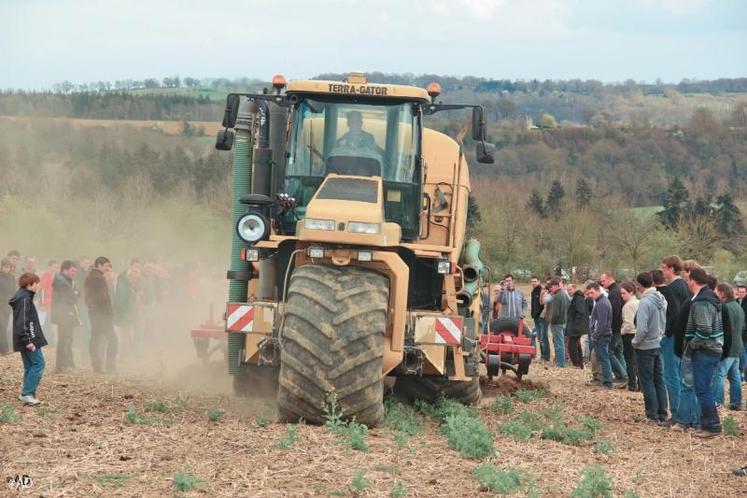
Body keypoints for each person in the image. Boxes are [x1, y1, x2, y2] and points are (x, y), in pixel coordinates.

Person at [684, 268, 724, 437]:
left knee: (702, 389)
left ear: (693, 280)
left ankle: (712, 426)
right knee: (704, 388)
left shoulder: (702, 301)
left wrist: (692, 345)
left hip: (705, 351)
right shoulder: (710, 298)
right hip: (711, 350)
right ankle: (707, 423)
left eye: (687, 279)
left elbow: (704, 330)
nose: (686, 283)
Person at [632, 272, 668, 424]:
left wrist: (635, 342)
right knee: (659, 380)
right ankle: (662, 413)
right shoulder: (662, 298)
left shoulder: (645, 302)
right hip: (659, 343)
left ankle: (651, 415)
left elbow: (642, 329)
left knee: (647, 381)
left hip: (646, 346)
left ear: (639, 285)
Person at [9, 273, 48, 405]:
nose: (38, 286)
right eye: (37, 283)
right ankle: (27, 393)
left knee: (30, 365)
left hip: (25, 338)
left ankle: (27, 393)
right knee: (39, 363)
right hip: (28, 338)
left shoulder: (23, 296)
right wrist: (28, 341)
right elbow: (23, 322)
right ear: (29, 284)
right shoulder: (24, 298)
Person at [713, 283, 743, 410]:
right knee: (734, 375)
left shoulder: (727, 308)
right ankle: (736, 403)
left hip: (729, 347)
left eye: (716, 292)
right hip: (737, 346)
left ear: (722, 294)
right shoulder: (737, 306)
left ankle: (718, 402)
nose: (715, 294)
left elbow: (727, 329)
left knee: (719, 374)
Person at [85, 257, 117, 374]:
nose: (108, 268)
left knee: (96, 338)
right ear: (99, 265)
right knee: (112, 340)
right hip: (101, 314)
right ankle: (109, 366)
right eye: (106, 266)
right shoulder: (98, 278)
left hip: (96, 313)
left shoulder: (92, 277)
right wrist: (108, 313)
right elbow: (101, 298)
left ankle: (97, 365)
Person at [600, 272, 628, 386]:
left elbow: (614, 311)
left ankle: (621, 375)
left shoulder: (614, 292)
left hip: (614, 327)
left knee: (609, 352)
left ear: (610, 279)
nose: (602, 283)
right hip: (618, 327)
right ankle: (625, 375)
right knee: (618, 352)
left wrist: (609, 327)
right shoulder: (615, 290)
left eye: (603, 281)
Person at [51, 260, 80, 371]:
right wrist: (75, 294)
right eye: (72, 271)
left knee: (68, 338)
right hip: (63, 314)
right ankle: (61, 364)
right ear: (65, 270)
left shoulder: (67, 281)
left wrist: (75, 294)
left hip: (67, 313)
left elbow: (78, 293)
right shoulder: (61, 282)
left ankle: (68, 363)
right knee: (64, 339)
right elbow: (71, 297)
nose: (74, 273)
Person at [588, 282, 613, 388]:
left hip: (602, 336)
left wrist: (595, 335)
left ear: (598, 290)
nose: (590, 295)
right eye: (588, 293)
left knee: (604, 359)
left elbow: (602, 323)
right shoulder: (601, 302)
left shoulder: (602, 303)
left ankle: (607, 382)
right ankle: (602, 379)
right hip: (602, 335)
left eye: (592, 293)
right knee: (600, 357)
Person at [114, 266, 141, 354]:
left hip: (128, 315)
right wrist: (124, 314)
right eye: (134, 278)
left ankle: (125, 354)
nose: (135, 280)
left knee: (128, 335)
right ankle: (123, 355)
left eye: (136, 278)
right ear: (128, 276)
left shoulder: (128, 285)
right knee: (126, 336)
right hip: (124, 316)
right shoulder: (123, 286)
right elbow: (119, 302)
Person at [620, 282, 640, 391]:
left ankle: (632, 384)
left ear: (631, 292)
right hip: (638, 334)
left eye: (624, 293)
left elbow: (628, 324)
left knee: (629, 360)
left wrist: (621, 331)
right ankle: (640, 384)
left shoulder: (627, 306)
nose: (622, 295)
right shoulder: (639, 302)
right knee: (637, 360)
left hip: (629, 335)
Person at [547, 278, 569, 367]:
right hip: (563, 322)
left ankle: (560, 364)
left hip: (557, 324)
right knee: (561, 343)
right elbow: (568, 305)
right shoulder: (564, 294)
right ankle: (561, 362)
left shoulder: (556, 297)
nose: (550, 289)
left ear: (556, 286)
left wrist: (551, 321)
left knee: (559, 344)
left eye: (551, 287)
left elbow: (555, 313)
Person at [565, 283, 588, 368]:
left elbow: (580, 312)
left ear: (574, 288)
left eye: (570, 290)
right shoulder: (576, 297)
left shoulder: (578, 298)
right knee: (576, 344)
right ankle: (579, 362)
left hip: (577, 326)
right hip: (576, 325)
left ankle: (576, 363)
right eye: (567, 290)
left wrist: (575, 325)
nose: (569, 292)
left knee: (572, 345)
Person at [0, 258, 16, 355]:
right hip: (0, 305)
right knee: (2, 326)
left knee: (4, 326)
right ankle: (5, 349)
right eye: (5, 267)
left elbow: (13, 291)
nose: (7, 268)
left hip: (7, 305)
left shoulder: (11, 278)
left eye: (9, 267)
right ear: (1, 267)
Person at [530, 276, 548, 359]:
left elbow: (542, 305)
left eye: (535, 281)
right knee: (539, 337)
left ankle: (545, 356)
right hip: (536, 317)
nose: (533, 283)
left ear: (539, 281)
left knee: (543, 337)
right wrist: (533, 314)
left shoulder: (541, 291)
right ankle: (541, 356)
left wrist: (538, 314)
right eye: (532, 281)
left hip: (541, 318)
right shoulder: (533, 291)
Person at [736, 285, 747, 381]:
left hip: (744, 332)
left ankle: (744, 375)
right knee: (741, 352)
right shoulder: (736, 302)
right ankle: (741, 374)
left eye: (743, 292)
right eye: (740, 291)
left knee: (743, 353)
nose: (741, 293)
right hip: (738, 332)